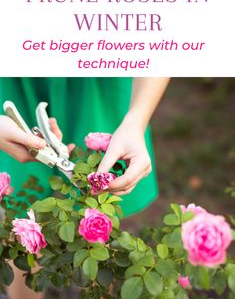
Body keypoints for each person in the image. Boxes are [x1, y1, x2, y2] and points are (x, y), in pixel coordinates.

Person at [0, 77, 169, 299]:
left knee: (104, 225)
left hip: (99, 82)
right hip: (15, 82)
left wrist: (135, 123)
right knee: (18, 222)